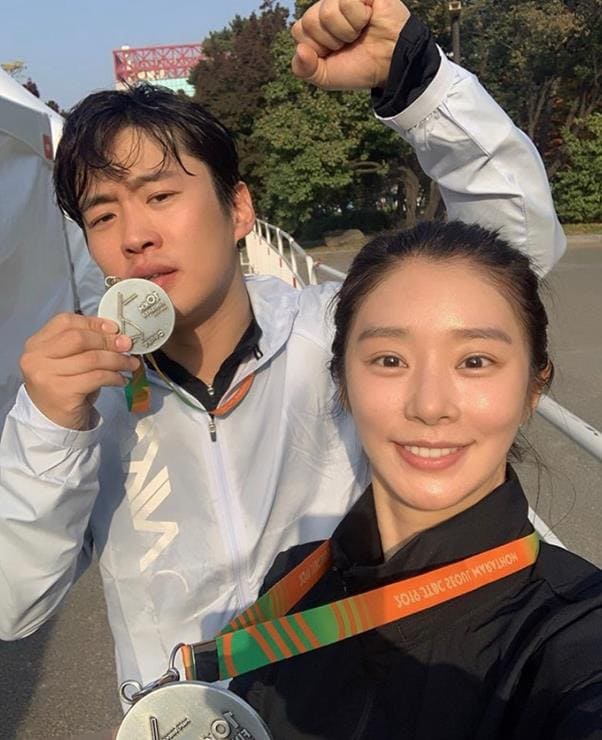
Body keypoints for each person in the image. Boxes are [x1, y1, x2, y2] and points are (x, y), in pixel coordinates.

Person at [0, 0, 565, 693]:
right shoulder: (86, 401)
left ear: (239, 209)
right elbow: (14, 605)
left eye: (161, 195)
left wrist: (418, 81)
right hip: (185, 724)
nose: (135, 236)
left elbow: (509, 259)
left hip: (356, 709)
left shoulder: (339, 331)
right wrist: (48, 429)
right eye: (102, 214)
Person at [231, 220, 602, 739]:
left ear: (533, 389)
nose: (429, 405)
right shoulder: (292, 583)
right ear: (342, 381)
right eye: (389, 360)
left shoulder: (574, 634)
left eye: (475, 361)